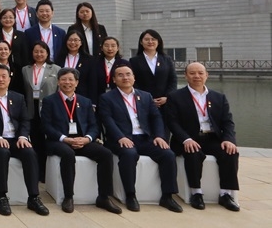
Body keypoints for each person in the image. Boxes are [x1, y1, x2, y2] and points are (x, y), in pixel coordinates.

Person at [98, 64, 182, 212]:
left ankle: (168, 196)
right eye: (120, 75)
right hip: (121, 139)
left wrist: (159, 136)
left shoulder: (145, 96)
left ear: (134, 77)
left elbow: (156, 117)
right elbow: (107, 120)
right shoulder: (106, 98)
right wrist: (120, 137)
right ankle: (130, 195)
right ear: (114, 79)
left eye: (128, 74)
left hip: (145, 138)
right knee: (129, 154)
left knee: (168, 154)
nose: (125, 78)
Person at [40, 68, 122, 214]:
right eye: (63, 79)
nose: (67, 82)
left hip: (82, 140)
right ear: (58, 82)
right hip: (59, 141)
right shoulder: (49, 101)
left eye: (71, 79)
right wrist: (65, 139)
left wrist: (87, 139)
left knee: (106, 154)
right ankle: (68, 197)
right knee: (68, 154)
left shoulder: (85, 101)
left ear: (76, 83)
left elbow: (94, 125)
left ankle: (104, 197)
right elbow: (46, 126)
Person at [165, 62, 240, 212]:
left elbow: (227, 122)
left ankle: (225, 194)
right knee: (193, 152)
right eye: (192, 73)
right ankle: (196, 193)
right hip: (188, 139)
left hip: (212, 138)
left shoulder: (219, 97)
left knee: (230, 152)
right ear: (186, 76)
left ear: (207, 75)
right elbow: (172, 122)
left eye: (200, 73)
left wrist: (229, 139)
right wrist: (186, 139)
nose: (197, 76)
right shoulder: (175, 97)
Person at [0, 64, 49, 216]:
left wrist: (23, 136)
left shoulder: (18, 97)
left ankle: (33, 197)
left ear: (9, 79)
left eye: (4, 76)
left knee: (30, 152)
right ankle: (2, 196)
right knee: (2, 153)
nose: (0, 79)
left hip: (16, 139)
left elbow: (25, 120)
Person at [21, 41, 60, 181]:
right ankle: (37, 172)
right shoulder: (25, 69)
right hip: (31, 108)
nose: (39, 54)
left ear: (47, 53)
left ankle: (47, 173)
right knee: (36, 141)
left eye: (42, 51)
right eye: (36, 51)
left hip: (48, 108)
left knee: (48, 141)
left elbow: (58, 90)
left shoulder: (56, 69)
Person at [129, 29, 177, 110]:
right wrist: (146, 98)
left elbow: (173, 79)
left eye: (153, 39)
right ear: (141, 42)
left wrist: (167, 97)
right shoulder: (134, 61)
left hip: (165, 103)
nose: (150, 42)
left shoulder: (166, 59)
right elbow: (133, 82)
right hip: (143, 103)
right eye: (147, 39)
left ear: (158, 42)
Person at [86, 37, 126, 107]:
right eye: (106, 46)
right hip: (99, 100)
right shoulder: (94, 63)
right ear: (101, 48)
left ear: (118, 48)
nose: (110, 49)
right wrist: (93, 103)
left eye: (113, 46)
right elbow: (92, 83)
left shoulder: (124, 63)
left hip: (119, 99)